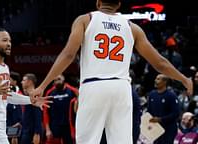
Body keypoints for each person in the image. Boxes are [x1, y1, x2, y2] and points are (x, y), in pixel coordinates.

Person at [30, 0, 193, 143]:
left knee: (87, 140)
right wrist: (184, 79)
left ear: (98, 2)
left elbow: (68, 54)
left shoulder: (86, 20)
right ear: (119, 4)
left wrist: (43, 85)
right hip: (122, 88)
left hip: (94, 85)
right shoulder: (133, 28)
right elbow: (159, 63)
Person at [0, 28, 51, 144]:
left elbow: (7, 95)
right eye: (4, 40)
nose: (9, 44)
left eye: (10, 41)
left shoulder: (5, 67)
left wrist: (30, 100)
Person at [43, 74, 78, 144]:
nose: (57, 81)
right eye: (55, 80)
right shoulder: (49, 93)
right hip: (54, 126)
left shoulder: (71, 90)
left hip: (68, 126)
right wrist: (47, 129)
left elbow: (79, 98)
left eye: (59, 79)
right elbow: (45, 112)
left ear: (64, 79)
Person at [147, 74, 180, 144]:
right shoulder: (152, 94)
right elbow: (149, 111)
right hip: (156, 129)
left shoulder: (171, 96)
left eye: (158, 79)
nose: (155, 81)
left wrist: (161, 119)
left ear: (165, 82)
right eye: (156, 79)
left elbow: (176, 114)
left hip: (168, 130)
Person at [20, 73, 43, 144]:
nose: (21, 82)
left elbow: (38, 116)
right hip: (25, 130)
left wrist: (37, 133)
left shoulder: (35, 95)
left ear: (29, 82)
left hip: (31, 133)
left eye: (24, 80)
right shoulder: (26, 95)